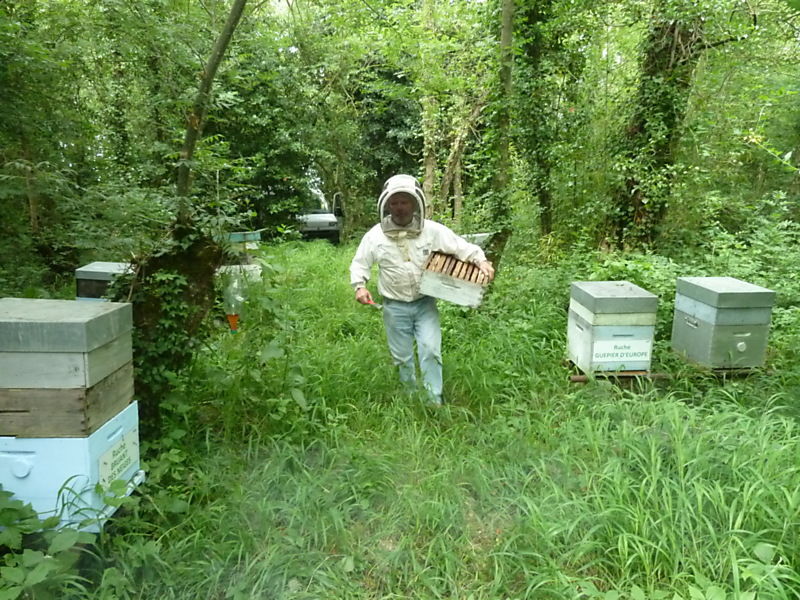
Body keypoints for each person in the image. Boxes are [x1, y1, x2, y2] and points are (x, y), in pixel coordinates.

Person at [349, 174, 495, 405]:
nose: (400, 207)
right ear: (387, 205)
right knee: (402, 357)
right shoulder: (375, 236)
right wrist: (359, 286)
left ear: (415, 204)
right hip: (394, 306)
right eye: (395, 203)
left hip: (424, 303)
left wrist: (481, 260)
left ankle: (433, 401)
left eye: (404, 202)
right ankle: (410, 399)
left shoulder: (433, 230)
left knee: (430, 350)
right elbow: (360, 263)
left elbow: (460, 247)